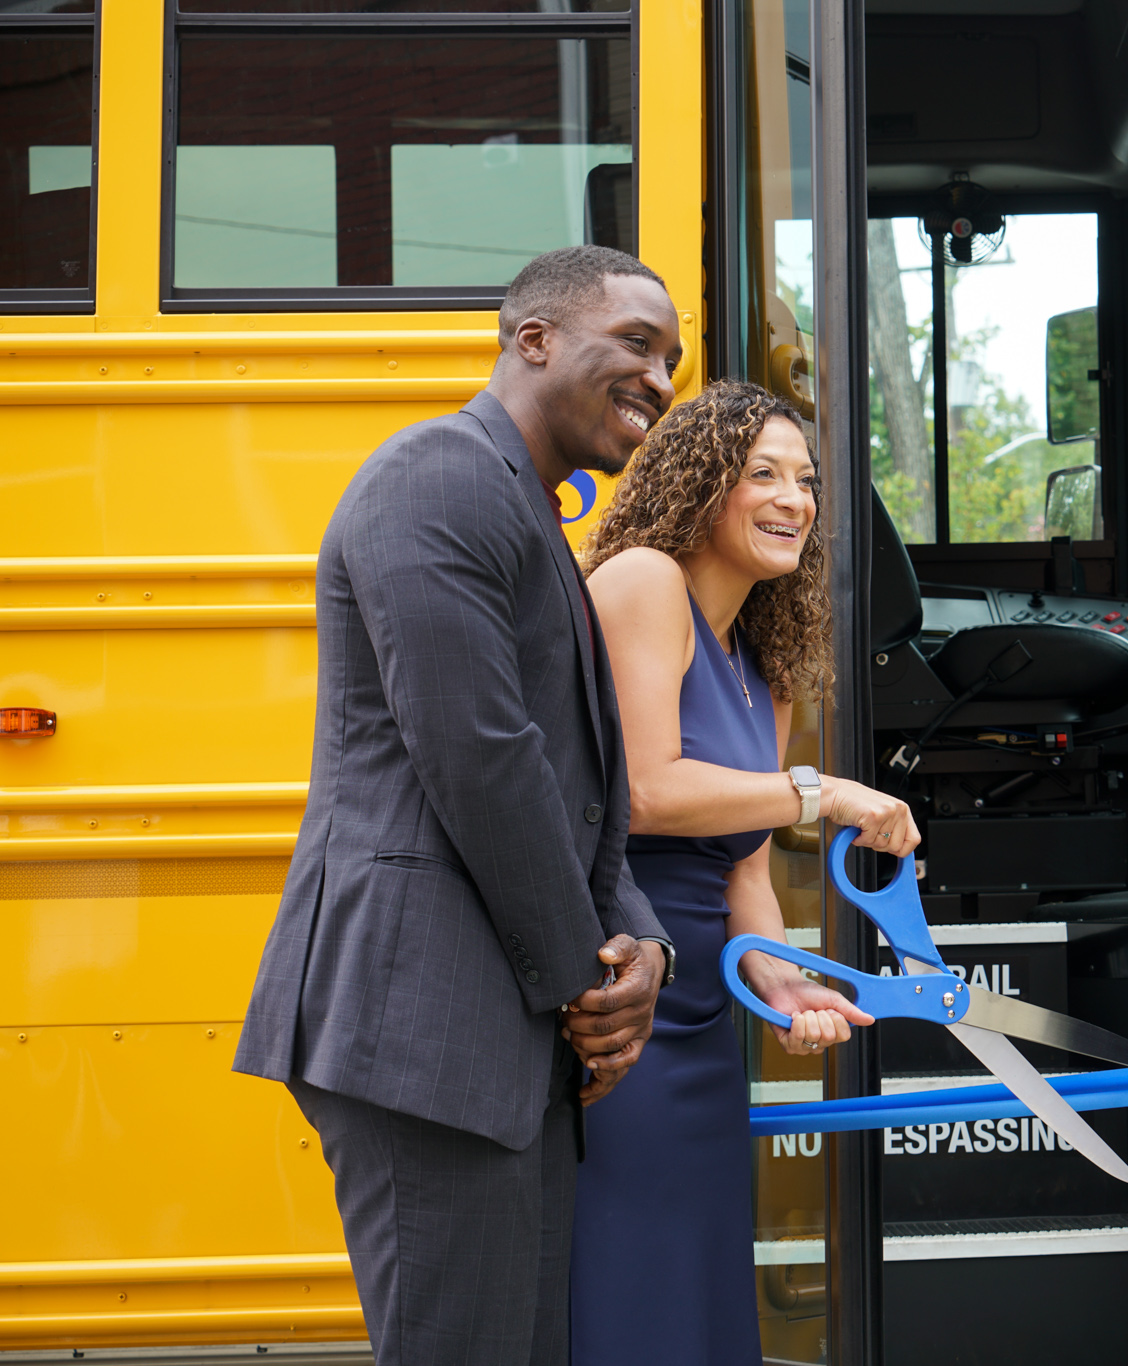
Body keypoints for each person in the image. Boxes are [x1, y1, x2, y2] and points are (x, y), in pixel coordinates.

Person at [234, 245, 683, 1366]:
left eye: (671, 358)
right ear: (531, 340)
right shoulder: (435, 478)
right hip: (422, 1032)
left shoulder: (526, 512)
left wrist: (644, 946)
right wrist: (589, 974)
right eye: (635, 343)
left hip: (496, 1034)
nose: (661, 378)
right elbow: (478, 758)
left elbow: (572, 782)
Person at [570, 377, 915, 1366]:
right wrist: (829, 794)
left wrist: (781, 979)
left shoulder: (759, 656)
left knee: (704, 1301)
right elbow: (645, 791)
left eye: (803, 481)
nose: (792, 500)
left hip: (704, 1028)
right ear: (697, 485)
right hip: (621, 1015)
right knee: (628, 1298)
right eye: (761, 473)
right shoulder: (641, 582)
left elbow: (743, 874)